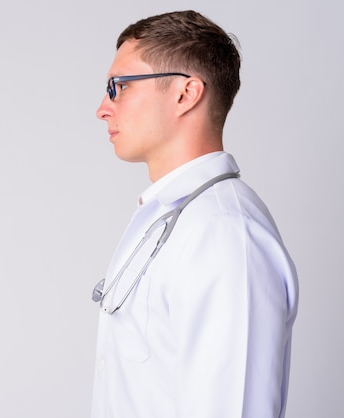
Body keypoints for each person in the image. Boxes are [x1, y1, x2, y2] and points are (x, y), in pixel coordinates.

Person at [91, 10, 299, 418]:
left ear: (186, 94)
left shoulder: (224, 233)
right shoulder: (170, 218)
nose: (103, 108)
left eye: (120, 87)